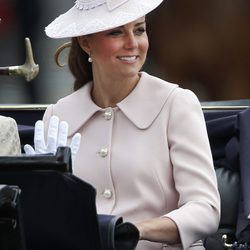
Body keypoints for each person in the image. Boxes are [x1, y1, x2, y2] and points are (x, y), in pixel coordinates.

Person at [25, 0, 221, 249]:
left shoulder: (176, 104)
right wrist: (40, 192)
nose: (133, 43)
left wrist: (135, 230)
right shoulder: (58, 117)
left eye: (139, 30)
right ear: (86, 43)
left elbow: (205, 209)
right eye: (116, 32)